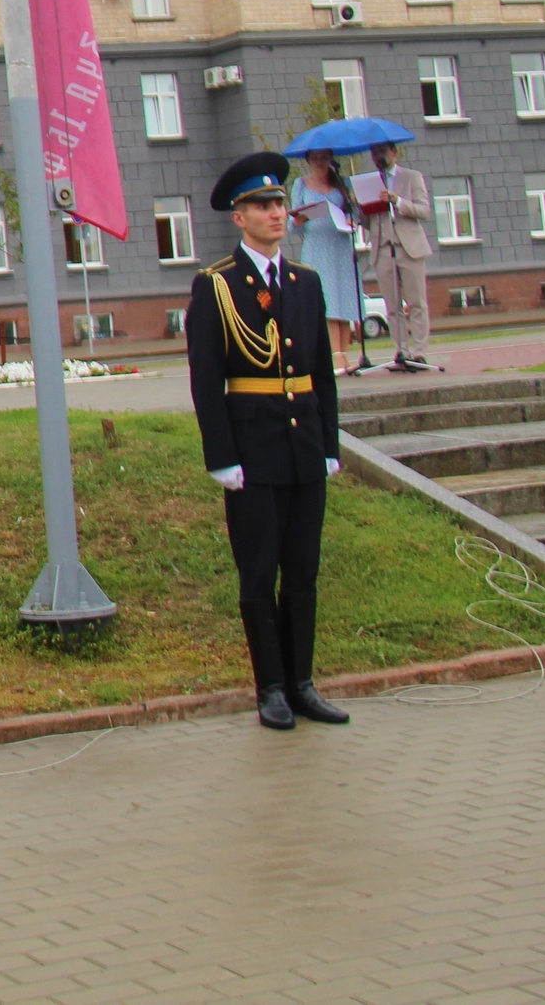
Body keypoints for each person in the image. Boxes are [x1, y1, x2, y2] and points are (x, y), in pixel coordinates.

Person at [185, 152, 347, 732]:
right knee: (259, 573)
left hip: (303, 449)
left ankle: (303, 683)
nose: (275, 212)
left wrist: (329, 443)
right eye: (262, 205)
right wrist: (222, 457)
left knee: (303, 569)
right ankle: (270, 687)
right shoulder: (217, 287)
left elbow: (321, 372)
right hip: (253, 453)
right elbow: (206, 379)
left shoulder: (305, 283)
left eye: (278, 202)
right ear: (239, 218)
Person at [285, 149, 362, 373]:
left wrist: (353, 213)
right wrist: (301, 218)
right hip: (318, 246)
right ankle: (334, 356)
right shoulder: (301, 184)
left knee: (344, 299)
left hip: (341, 244)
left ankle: (344, 354)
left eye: (324, 158)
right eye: (315, 159)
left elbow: (356, 216)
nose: (320, 163)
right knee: (326, 299)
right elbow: (292, 224)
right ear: (308, 161)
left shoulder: (343, 182)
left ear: (331, 160)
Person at [364, 142, 436, 371]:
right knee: (392, 306)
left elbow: (424, 211)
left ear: (394, 153)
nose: (379, 156)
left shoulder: (412, 178)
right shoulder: (369, 183)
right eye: (375, 152)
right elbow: (366, 221)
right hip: (383, 247)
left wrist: (398, 201)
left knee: (416, 302)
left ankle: (419, 352)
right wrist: (359, 207)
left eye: (383, 151)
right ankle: (401, 352)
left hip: (409, 247)